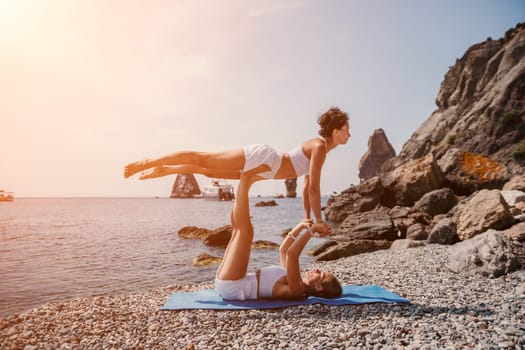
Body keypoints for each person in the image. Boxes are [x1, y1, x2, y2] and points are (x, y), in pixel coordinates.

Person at [124, 107, 351, 233]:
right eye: (346, 130)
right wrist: (319, 221)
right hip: (265, 159)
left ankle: (165, 169)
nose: (349, 135)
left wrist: (308, 219)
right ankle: (150, 161)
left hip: (266, 172)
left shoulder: (322, 150)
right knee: (203, 158)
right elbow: (314, 187)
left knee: (208, 172)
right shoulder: (319, 146)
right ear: (336, 131)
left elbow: (305, 188)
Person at [214, 173, 342, 300]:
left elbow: (292, 254)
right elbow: (284, 250)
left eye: (321, 274)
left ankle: (245, 180)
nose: (318, 270)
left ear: (319, 287)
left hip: (234, 286)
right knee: (239, 230)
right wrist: (300, 226)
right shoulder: (293, 278)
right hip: (232, 282)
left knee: (245, 232)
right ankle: (244, 181)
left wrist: (312, 231)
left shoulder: (297, 288)